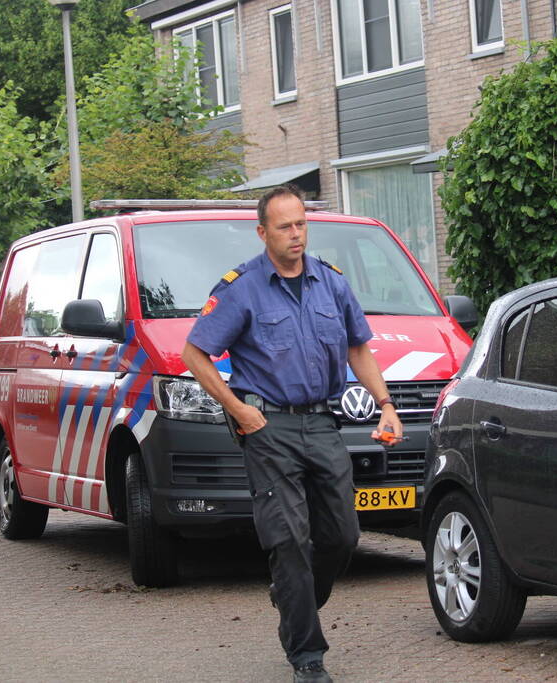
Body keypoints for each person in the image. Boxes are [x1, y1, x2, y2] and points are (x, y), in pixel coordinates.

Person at [181, 184, 403, 683]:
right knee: (289, 541)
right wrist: (238, 409)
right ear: (263, 232)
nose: (296, 234)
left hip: (323, 422)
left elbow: (359, 349)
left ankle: (291, 598)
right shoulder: (241, 288)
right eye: (285, 227)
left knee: (342, 535)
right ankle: (307, 656)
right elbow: (195, 354)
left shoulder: (331, 283)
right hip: (269, 427)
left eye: (301, 223)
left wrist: (386, 406)